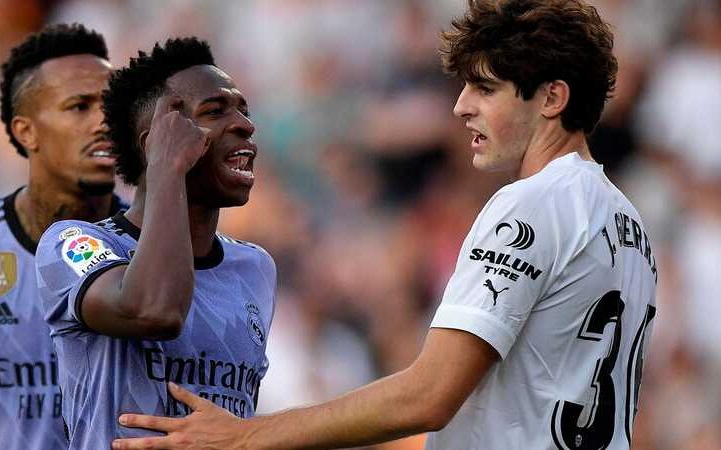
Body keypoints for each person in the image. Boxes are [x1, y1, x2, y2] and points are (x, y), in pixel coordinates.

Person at [111, 1, 659, 449]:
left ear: (553, 98)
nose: (460, 107)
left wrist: (245, 436)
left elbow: (429, 396)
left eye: (486, 88)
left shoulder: (531, 205)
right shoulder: (626, 222)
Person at [34, 37, 276, 450]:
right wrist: (168, 166)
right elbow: (154, 310)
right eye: (215, 111)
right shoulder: (74, 243)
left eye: (244, 110)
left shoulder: (255, 267)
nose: (245, 125)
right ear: (156, 143)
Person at [0, 23, 126, 449]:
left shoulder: (155, 251)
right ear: (26, 131)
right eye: (80, 106)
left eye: (111, 104)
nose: (104, 121)